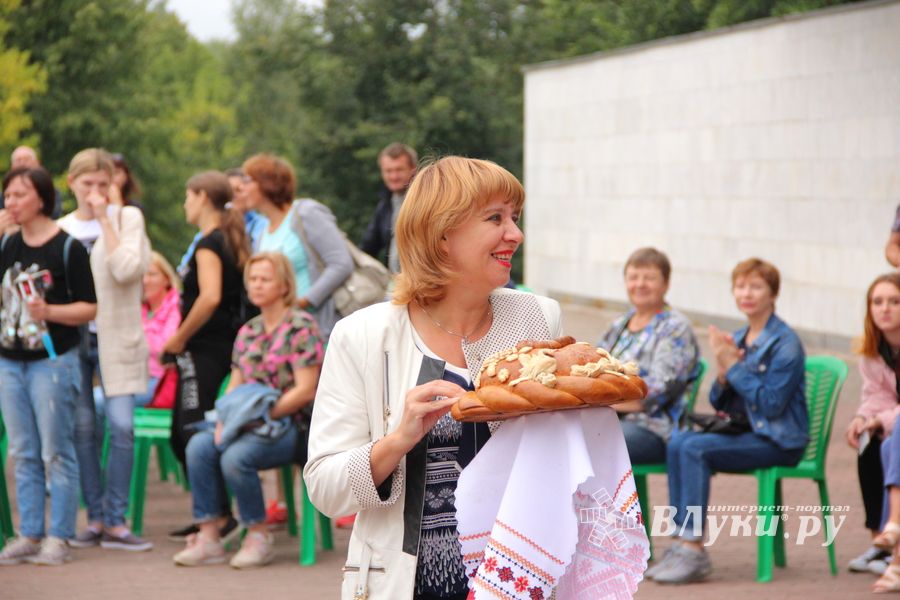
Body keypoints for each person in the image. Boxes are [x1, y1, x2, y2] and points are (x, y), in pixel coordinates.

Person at [305, 156, 565, 600]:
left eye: (515, 218)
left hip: (522, 578)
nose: (515, 234)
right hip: (408, 584)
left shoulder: (538, 317)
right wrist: (396, 440)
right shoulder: (363, 335)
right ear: (442, 233)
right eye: (495, 218)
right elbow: (326, 490)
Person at [649, 258, 808, 585]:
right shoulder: (739, 337)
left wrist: (734, 368)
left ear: (772, 294)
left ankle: (693, 549)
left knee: (694, 447)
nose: (746, 293)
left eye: (755, 286)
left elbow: (772, 404)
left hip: (779, 440)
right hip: (749, 433)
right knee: (680, 440)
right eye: (740, 286)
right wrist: (723, 376)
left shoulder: (785, 343)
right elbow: (722, 404)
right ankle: (681, 541)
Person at [172, 251, 324, 568]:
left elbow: (306, 389)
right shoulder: (248, 331)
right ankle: (209, 535)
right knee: (200, 444)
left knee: (236, 456)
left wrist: (263, 415)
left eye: (265, 279)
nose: (257, 285)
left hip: (291, 425)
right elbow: (235, 384)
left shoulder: (301, 326)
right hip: (249, 424)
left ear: (284, 285)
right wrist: (224, 419)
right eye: (252, 279)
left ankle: (258, 533)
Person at [0, 166, 96, 566]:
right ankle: (29, 533)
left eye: (19, 194)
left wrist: (50, 310)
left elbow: (90, 307)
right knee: (23, 449)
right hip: (10, 360)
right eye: (7, 195)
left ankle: (59, 535)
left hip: (53, 361)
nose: (11, 202)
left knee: (56, 450)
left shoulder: (68, 247)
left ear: (41, 197)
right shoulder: (6, 245)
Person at [61, 149, 152, 552]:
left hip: (117, 337)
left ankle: (117, 520)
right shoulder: (61, 228)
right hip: (73, 340)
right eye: (88, 184)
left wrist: (104, 219)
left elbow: (127, 269)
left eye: (103, 183)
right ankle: (94, 517)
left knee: (121, 426)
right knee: (82, 429)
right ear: (72, 184)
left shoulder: (127, 219)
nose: (95, 191)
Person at [163, 171, 248, 542]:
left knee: (191, 431)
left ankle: (216, 515)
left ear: (201, 197)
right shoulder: (224, 239)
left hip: (205, 349)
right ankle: (210, 511)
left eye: (187, 196)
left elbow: (210, 297)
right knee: (185, 431)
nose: (184, 204)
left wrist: (178, 339)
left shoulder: (209, 245)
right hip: (216, 347)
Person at [598, 247, 700, 464]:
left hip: (654, 427)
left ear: (666, 284)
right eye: (633, 277)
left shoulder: (675, 327)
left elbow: (658, 389)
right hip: (609, 416)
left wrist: (604, 403)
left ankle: (606, 499)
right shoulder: (619, 325)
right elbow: (594, 366)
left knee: (596, 443)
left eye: (649, 278)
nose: (640, 284)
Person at [242, 153, 352, 339]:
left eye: (248, 181)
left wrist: (303, 302)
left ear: (267, 183)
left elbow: (341, 263)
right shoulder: (262, 233)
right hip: (285, 333)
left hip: (319, 329)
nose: (242, 189)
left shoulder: (305, 213)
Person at [846, 273, 900, 576]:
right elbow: (875, 396)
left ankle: (892, 539)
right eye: (877, 302)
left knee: (891, 443)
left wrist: (882, 419)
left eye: (895, 301)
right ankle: (878, 542)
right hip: (895, 422)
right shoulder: (873, 352)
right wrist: (861, 419)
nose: (885, 309)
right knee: (867, 444)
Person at [176, 167, 268, 276]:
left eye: (239, 190)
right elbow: (184, 268)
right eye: (230, 192)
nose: (234, 196)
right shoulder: (205, 234)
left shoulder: (262, 226)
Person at [360, 142, 417, 273]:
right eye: (388, 171)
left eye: (399, 170)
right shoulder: (384, 205)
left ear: (413, 169)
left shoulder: (426, 201)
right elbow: (368, 247)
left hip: (423, 283)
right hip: (395, 283)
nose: (394, 176)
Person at [136, 252, 182, 407]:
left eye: (152, 274)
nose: (145, 280)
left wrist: (139, 334)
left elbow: (164, 348)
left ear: (166, 279)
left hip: (160, 380)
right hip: (135, 378)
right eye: (142, 275)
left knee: (100, 403)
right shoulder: (140, 308)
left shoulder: (175, 307)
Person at [5, 146, 62, 219]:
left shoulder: (50, 191)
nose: (22, 163)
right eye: (18, 160)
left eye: (26, 159)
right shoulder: (4, 195)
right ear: (12, 166)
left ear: (37, 163)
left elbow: (54, 214)